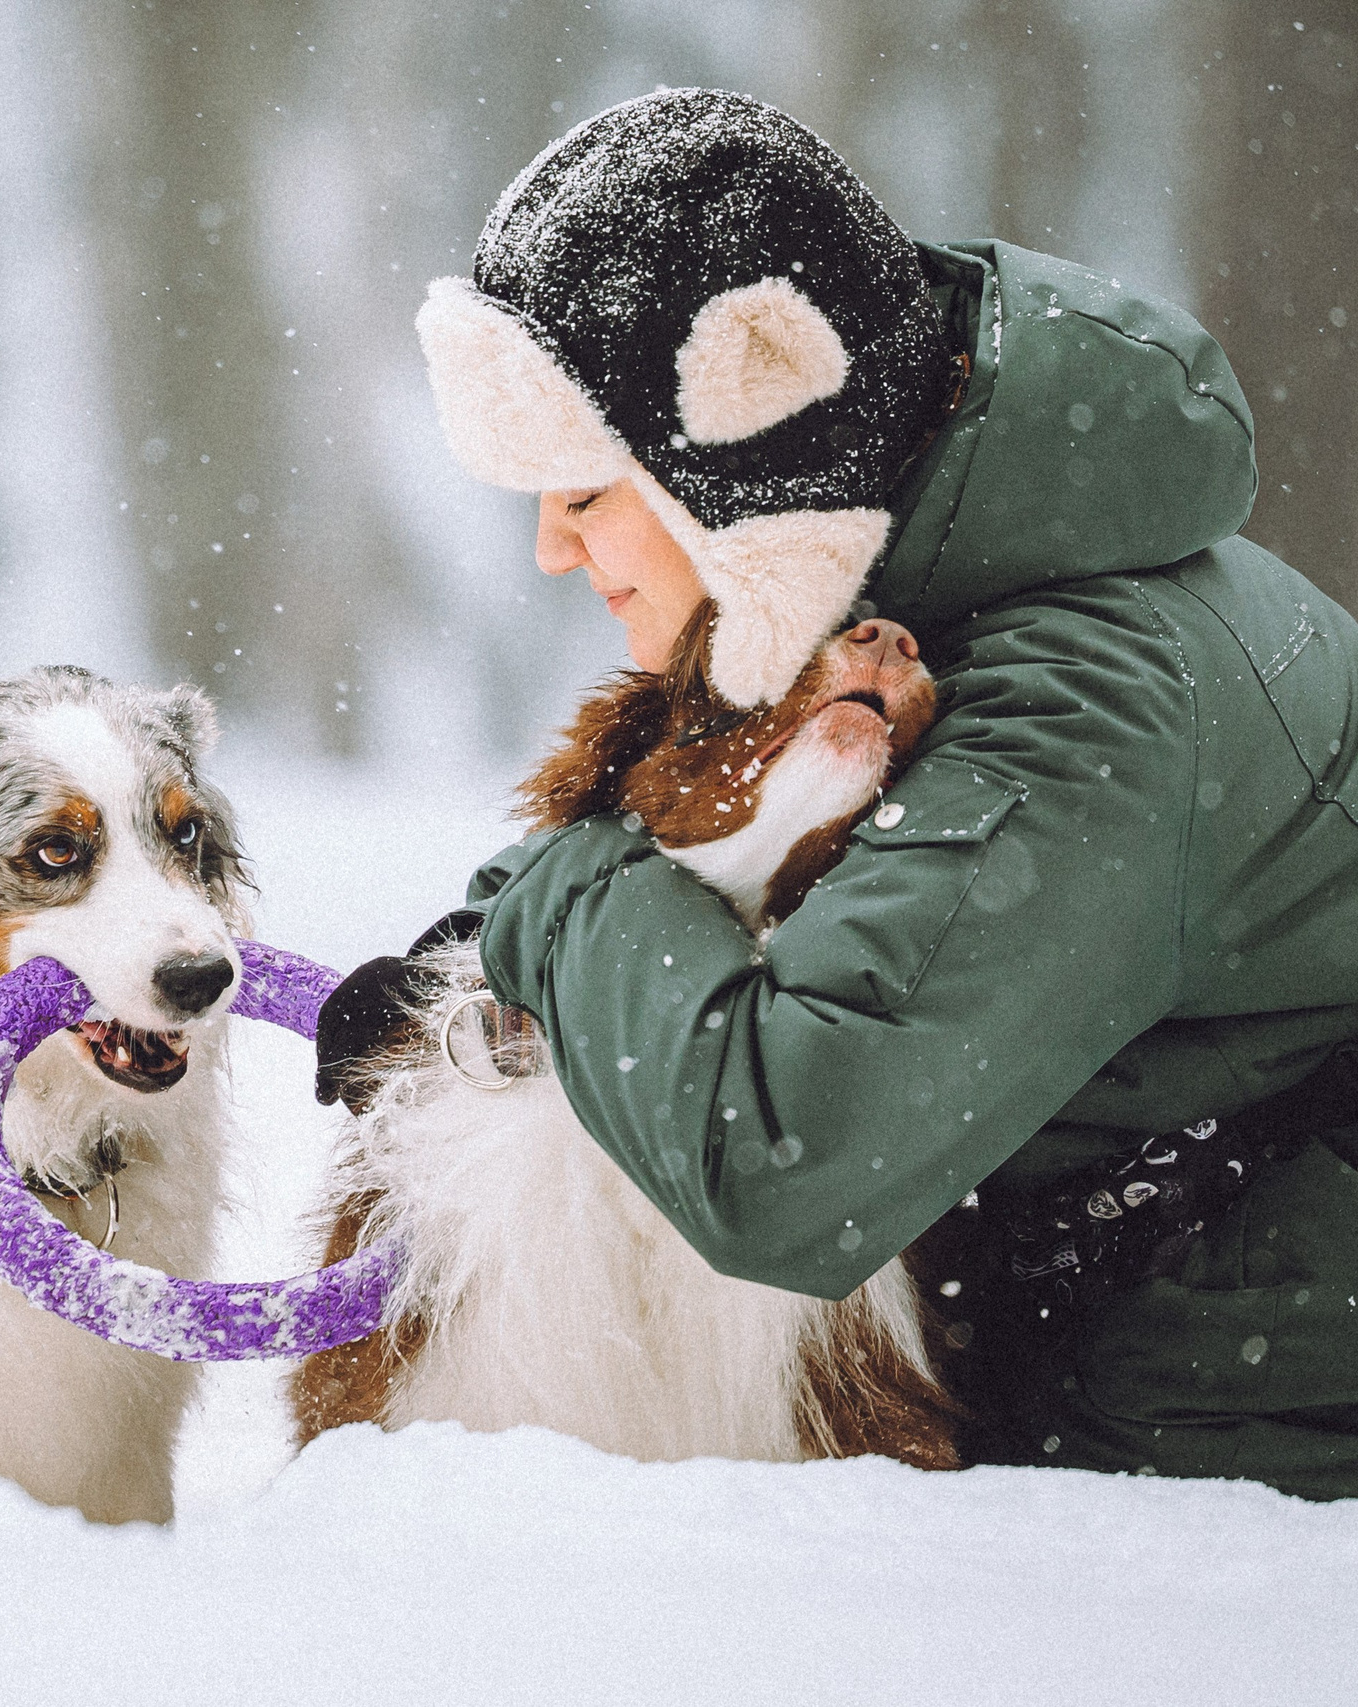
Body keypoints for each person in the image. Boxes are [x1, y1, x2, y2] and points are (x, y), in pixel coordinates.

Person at [318, 88, 1358, 1497]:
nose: (555, 548)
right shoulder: (924, 568)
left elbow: (785, 1163)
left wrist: (565, 905)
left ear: (744, 450)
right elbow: (724, 831)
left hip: (1236, 1455)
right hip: (1125, 1325)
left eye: (582, 487)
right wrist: (495, 941)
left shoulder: (1081, 707)